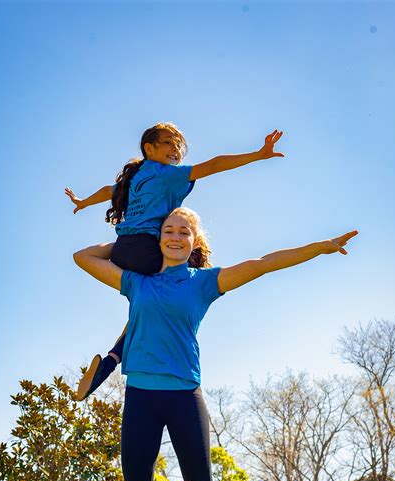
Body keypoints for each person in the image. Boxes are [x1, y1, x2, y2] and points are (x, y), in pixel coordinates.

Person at [73, 206, 358, 481]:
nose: (174, 236)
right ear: (158, 239)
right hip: (141, 395)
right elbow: (83, 257)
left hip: (184, 395)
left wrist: (322, 247)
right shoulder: (135, 283)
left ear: (194, 242)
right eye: (168, 230)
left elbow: (263, 264)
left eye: (183, 231)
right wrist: (131, 242)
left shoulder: (203, 283)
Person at [66, 122, 284, 400]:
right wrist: (256, 155)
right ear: (150, 148)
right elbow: (214, 165)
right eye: (168, 142)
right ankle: (110, 361)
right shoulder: (168, 174)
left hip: (122, 250)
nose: (176, 149)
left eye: (178, 144)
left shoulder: (134, 177)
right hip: (147, 250)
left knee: (142, 307)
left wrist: (84, 202)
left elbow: (109, 190)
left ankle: (110, 360)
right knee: (170, 294)